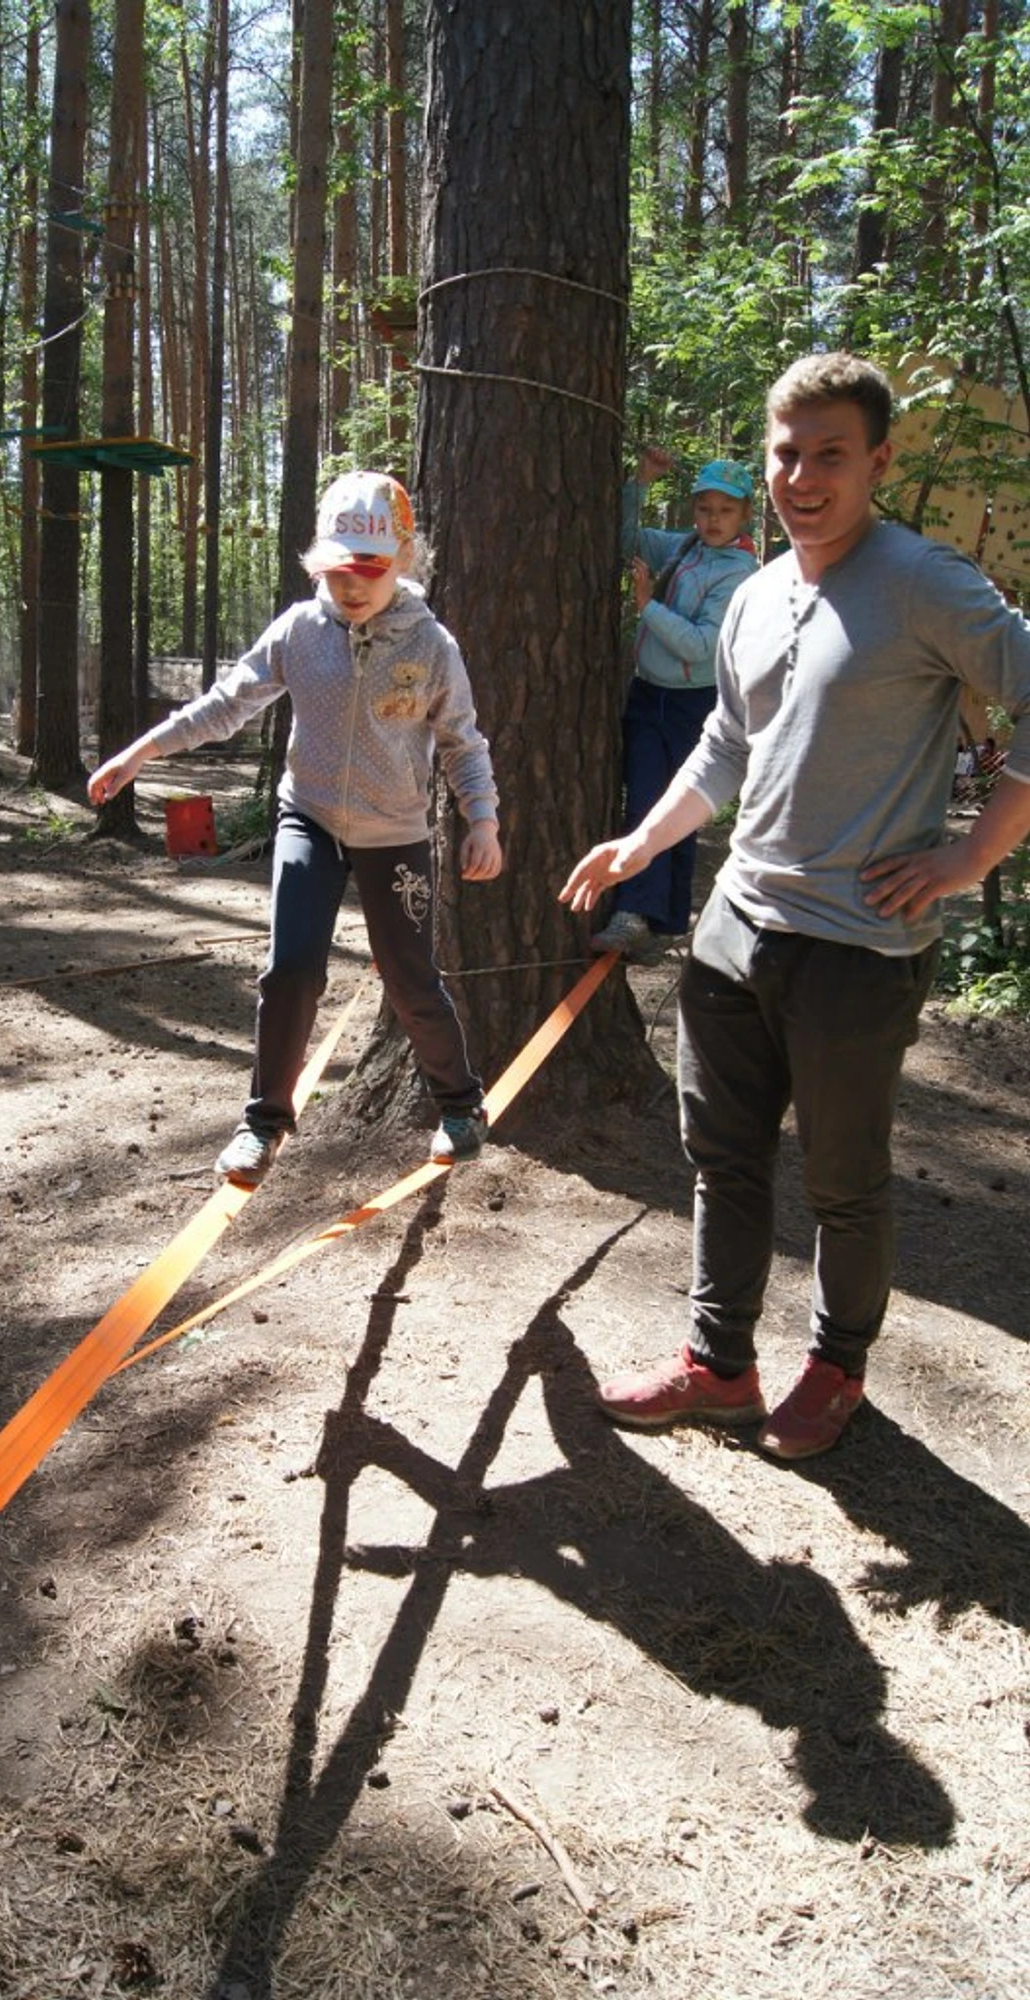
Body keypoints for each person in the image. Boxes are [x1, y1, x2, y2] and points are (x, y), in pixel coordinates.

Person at [560, 351, 1030, 1460]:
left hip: (859, 943)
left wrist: (970, 856)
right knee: (722, 1160)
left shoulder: (922, 580)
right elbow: (726, 742)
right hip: (734, 928)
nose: (802, 477)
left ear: (878, 461)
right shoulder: (755, 593)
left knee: (842, 1180)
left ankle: (835, 1367)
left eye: (830, 454)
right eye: (786, 453)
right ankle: (719, 1366)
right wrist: (642, 842)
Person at [88, 470, 503, 1187]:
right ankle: (263, 1123)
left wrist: (483, 819)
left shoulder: (432, 645)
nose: (352, 586)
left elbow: (462, 741)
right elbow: (226, 704)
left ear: (403, 560)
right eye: (338, 570)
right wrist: (140, 753)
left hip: (394, 830)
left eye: (369, 570)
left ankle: (462, 1106)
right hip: (308, 815)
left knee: (410, 978)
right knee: (291, 970)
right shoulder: (300, 631)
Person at [590, 451, 758, 963]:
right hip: (650, 693)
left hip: (692, 704)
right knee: (656, 803)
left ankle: (636, 916)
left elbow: (701, 646)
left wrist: (648, 607)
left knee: (661, 807)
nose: (712, 519)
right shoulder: (685, 547)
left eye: (725, 510)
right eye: (704, 508)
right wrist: (640, 481)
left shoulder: (740, 573)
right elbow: (625, 538)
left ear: (745, 514)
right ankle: (661, 921)